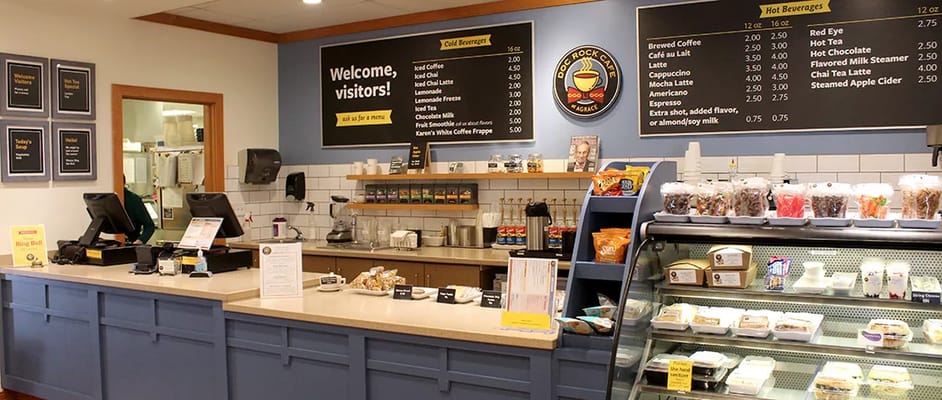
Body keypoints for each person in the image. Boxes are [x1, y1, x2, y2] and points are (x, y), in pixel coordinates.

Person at [124, 177, 155, 244]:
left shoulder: (133, 200)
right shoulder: (104, 199)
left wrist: (140, 240)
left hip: (131, 242)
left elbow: (149, 226)